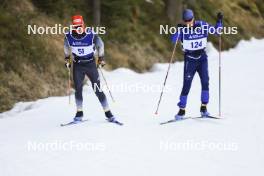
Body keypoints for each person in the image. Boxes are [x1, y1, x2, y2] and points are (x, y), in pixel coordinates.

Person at [171, 9, 223, 120]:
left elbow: (217, 31)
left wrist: (219, 21)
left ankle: (204, 108)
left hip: (202, 59)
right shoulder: (183, 29)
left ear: (193, 18)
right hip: (190, 60)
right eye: (186, 21)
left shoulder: (202, 25)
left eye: (190, 20)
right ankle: (181, 111)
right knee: (187, 85)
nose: (188, 22)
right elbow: (173, 40)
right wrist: (178, 30)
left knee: (205, 82)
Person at [64, 15, 117, 122]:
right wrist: (67, 58)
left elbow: (100, 44)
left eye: (80, 26)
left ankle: (108, 113)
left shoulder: (91, 34)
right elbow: (66, 46)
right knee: (78, 89)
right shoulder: (69, 36)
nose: (78, 28)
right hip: (78, 65)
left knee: (97, 89)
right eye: (76, 26)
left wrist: (101, 58)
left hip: (90, 64)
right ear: (73, 26)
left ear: (83, 25)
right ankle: (79, 113)